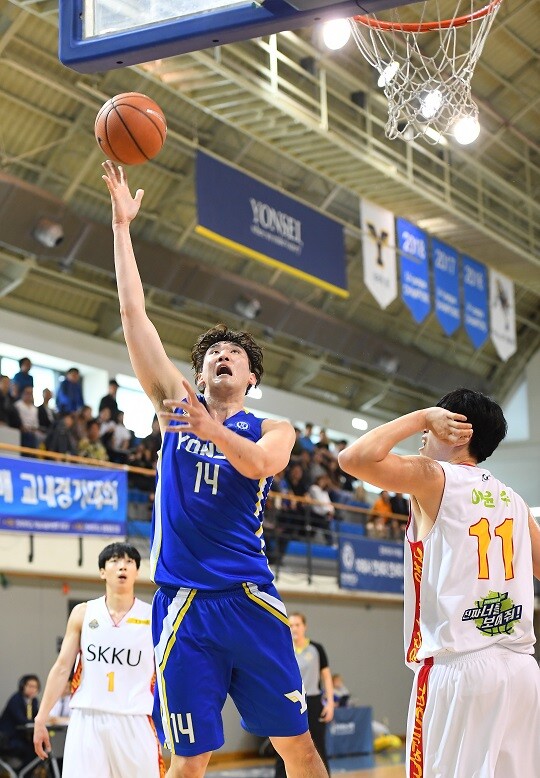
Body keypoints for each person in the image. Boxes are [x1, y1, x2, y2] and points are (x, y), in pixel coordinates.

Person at [101, 160, 327, 778]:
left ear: (250, 378)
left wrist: (213, 431)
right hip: (186, 606)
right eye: (213, 354)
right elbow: (133, 317)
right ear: (200, 373)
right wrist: (121, 228)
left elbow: (262, 465)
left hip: (250, 597)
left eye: (234, 354)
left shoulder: (272, 428)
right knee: (190, 757)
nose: (223, 356)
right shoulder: (175, 405)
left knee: (298, 747)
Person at [338, 388, 540, 777]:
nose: (424, 433)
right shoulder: (514, 501)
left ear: (456, 430)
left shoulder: (434, 476)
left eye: (434, 423)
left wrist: (419, 415)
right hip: (521, 673)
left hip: (461, 669)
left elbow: (353, 459)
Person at [33, 542, 162, 778]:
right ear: (102, 571)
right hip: (87, 718)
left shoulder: (153, 616)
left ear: (137, 571)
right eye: (115, 561)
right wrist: (41, 718)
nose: (122, 566)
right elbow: (62, 668)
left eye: (129, 562)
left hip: (134, 719)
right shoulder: (83, 613)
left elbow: (169, 674)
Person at [275, 613, 334, 778]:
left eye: (297, 625)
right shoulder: (283, 649)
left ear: (304, 627)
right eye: (291, 625)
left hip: (313, 702)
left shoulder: (316, 648)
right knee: (285, 747)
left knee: (317, 747)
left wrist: (330, 703)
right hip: (289, 703)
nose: (294, 628)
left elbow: (326, 677)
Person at [0, 674, 41, 768]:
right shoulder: (16, 699)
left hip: (23, 737)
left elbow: (36, 717)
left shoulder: (34, 701)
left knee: (40, 747)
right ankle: (21, 772)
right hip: (9, 738)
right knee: (30, 750)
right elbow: (22, 720)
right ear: (23, 686)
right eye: (30, 686)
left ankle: (25, 772)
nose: (33, 689)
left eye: (35, 687)